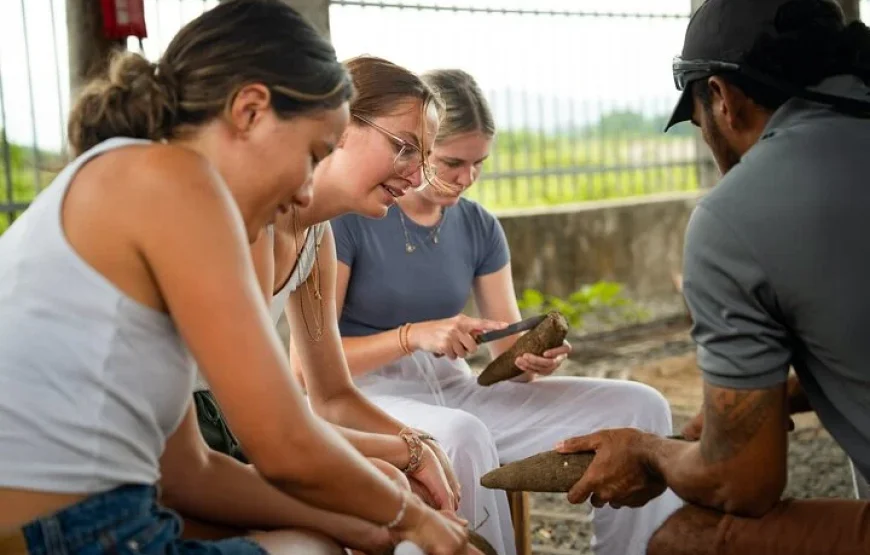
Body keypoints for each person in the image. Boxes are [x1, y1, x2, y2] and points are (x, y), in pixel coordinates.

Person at [0, 1, 471, 554]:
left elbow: (189, 474)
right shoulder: (176, 181)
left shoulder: (139, 180)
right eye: (312, 154)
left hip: (70, 527)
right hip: (74, 537)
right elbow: (281, 443)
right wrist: (410, 517)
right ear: (249, 110)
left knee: (323, 537)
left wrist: (357, 522)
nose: (303, 190)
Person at [554, 0, 870, 553]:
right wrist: (777, 399)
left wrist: (649, 451)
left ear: (721, 98)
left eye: (700, 124)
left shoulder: (737, 216)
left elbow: (740, 482)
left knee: (683, 538)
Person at [329, 68, 684, 555]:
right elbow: (312, 371)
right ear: (421, 146)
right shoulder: (353, 216)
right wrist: (412, 335)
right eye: (452, 161)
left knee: (641, 408)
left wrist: (531, 359)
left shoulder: (479, 225)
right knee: (462, 436)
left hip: (454, 388)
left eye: (479, 164)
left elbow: (505, 358)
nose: (467, 179)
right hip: (369, 397)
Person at [186, 55, 475, 548]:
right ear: (341, 125)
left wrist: (416, 443)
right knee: (386, 491)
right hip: (197, 437)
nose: (414, 175)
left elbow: (333, 395)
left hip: (226, 435)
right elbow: (262, 432)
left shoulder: (317, 236)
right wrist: (404, 451)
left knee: (402, 477)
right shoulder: (251, 223)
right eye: (404, 148)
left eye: (424, 158)